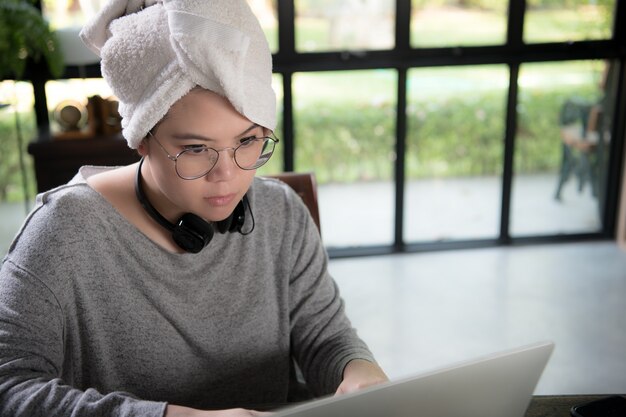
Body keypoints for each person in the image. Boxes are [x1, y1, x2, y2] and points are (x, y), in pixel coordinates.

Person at [0, 0, 387, 416]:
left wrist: (358, 372)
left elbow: (324, 336)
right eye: (197, 149)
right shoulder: (64, 231)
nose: (228, 175)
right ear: (142, 138)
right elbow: (11, 387)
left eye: (247, 141)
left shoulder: (282, 213)